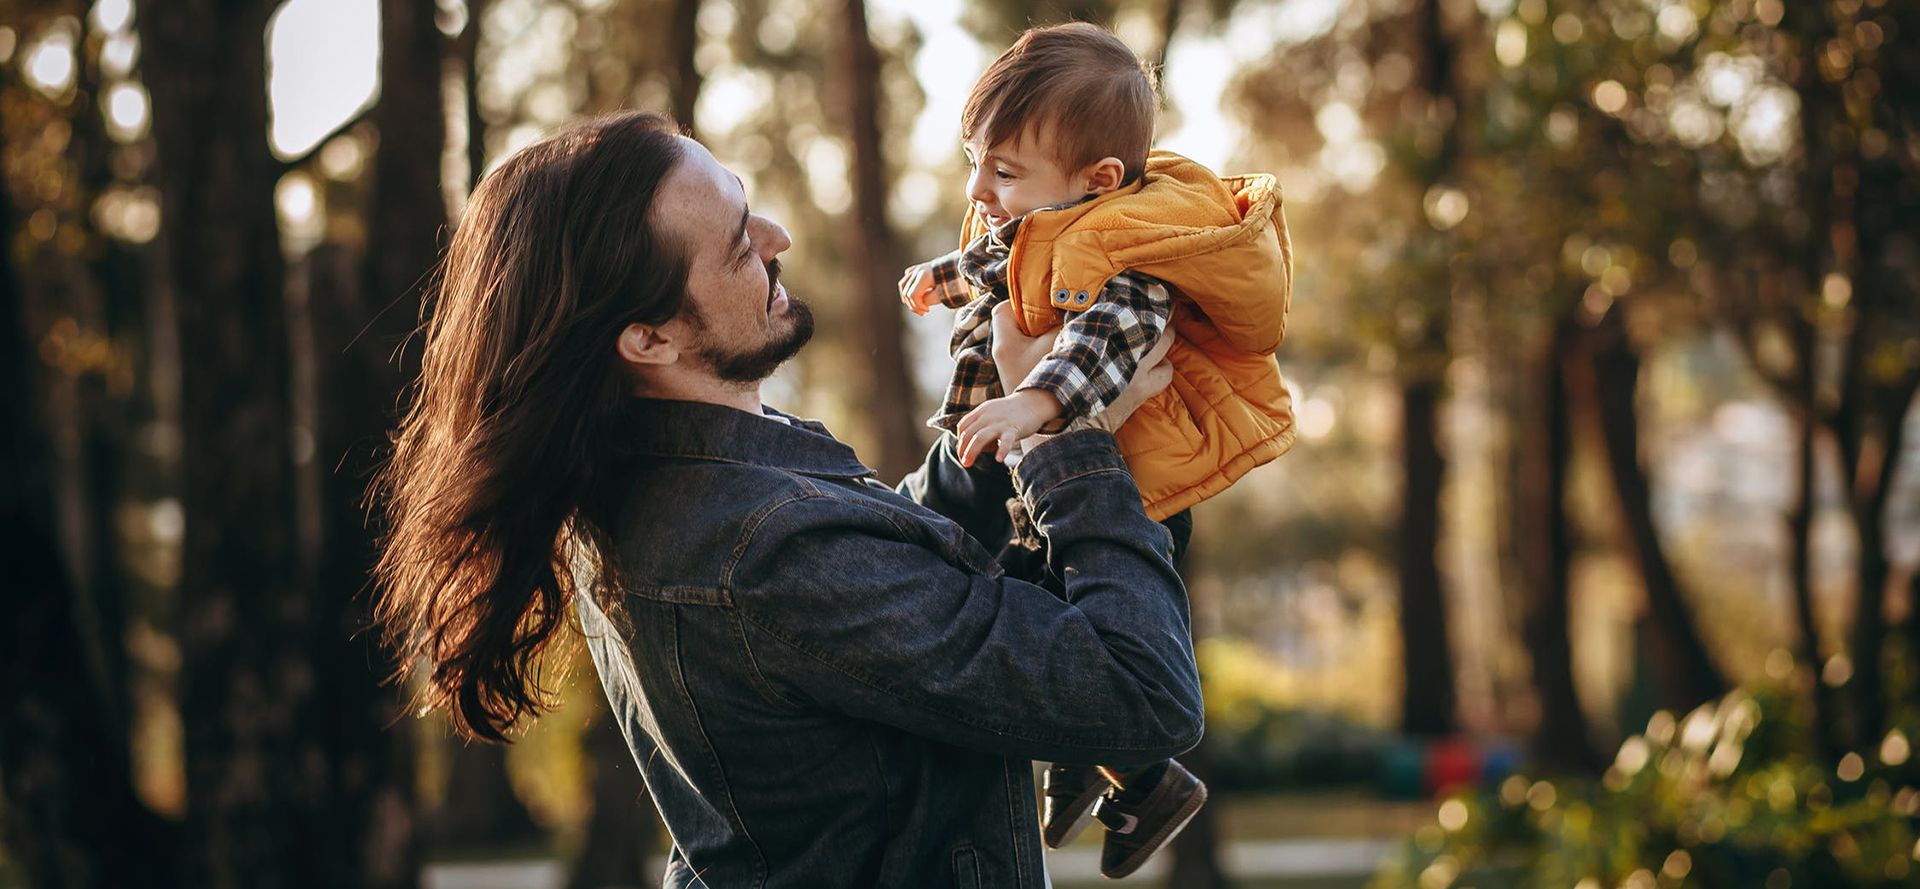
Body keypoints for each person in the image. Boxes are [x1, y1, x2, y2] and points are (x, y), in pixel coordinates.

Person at [372, 111, 1203, 888]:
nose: (779, 238)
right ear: (649, 338)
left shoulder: (670, 489)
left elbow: (896, 592)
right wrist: (1068, 441)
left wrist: (1005, 422)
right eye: (738, 247)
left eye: (749, 208)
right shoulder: (759, 545)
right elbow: (1141, 695)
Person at [896, 21, 1297, 876]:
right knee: (1045, 625)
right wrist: (945, 277)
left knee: (1054, 626)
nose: (981, 187)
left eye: (1003, 172)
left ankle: (1140, 778)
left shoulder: (1129, 251)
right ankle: (1100, 765)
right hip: (1042, 478)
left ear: (1099, 179)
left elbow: (1114, 336)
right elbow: (998, 255)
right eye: (977, 161)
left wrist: (1032, 399)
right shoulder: (1050, 218)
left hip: (1124, 490)